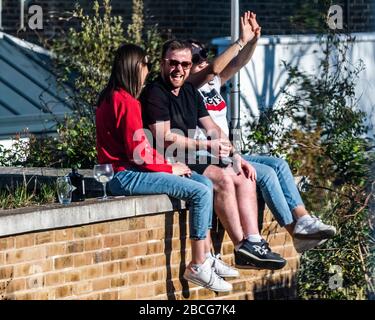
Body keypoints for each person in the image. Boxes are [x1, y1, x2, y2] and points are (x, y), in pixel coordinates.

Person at [186, 11, 337, 253]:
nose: (202, 57)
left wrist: (254, 38)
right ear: (186, 64)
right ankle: (292, 231)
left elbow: (238, 63)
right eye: (195, 56)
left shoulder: (212, 84)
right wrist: (240, 40)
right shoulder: (188, 87)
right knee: (263, 173)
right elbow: (214, 68)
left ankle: (303, 219)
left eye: (203, 52)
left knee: (278, 163)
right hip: (210, 157)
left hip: (228, 152)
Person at [95, 43, 233, 292]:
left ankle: (207, 254)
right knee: (200, 191)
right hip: (124, 175)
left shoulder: (110, 96)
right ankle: (197, 264)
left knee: (203, 182)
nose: (147, 70)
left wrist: (168, 163)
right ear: (135, 67)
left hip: (124, 171)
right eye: (145, 64)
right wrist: (170, 168)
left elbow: (139, 151)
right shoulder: (126, 102)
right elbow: (138, 153)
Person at [140, 39, 287, 271]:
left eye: (185, 64)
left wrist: (237, 156)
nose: (179, 69)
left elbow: (213, 129)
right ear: (163, 63)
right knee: (222, 178)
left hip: (192, 155)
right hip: (168, 160)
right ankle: (241, 246)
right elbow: (164, 137)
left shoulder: (189, 90)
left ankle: (253, 242)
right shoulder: (155, 92)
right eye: (173, 63)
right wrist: (208, 147)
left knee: (242, 173)